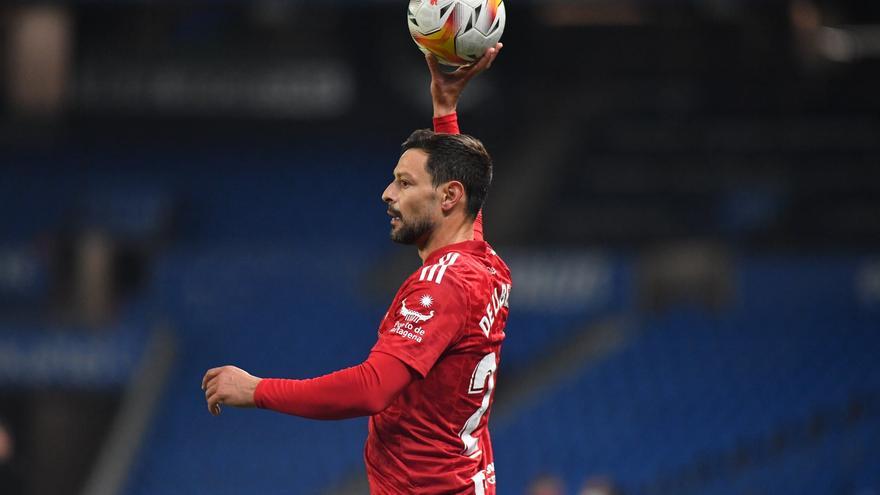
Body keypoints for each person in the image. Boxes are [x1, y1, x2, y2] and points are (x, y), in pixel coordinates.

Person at [202, 43, 508, 494]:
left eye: (405, 183)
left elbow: (371, 389)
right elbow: (467, 198)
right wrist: (445, 109)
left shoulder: (439, 289)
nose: (388, 193)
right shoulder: (485, 263)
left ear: (448, 198)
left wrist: (257, 390)